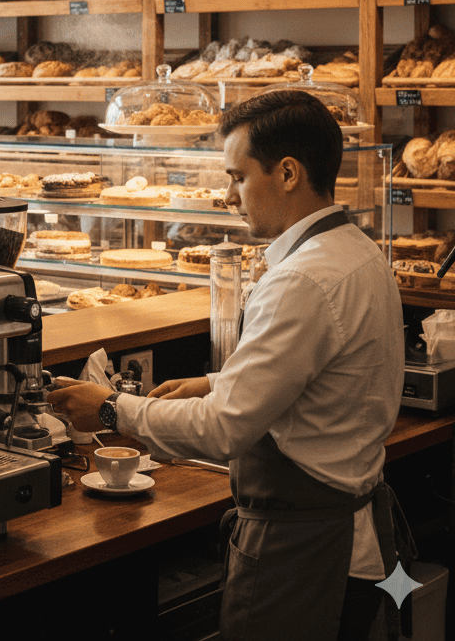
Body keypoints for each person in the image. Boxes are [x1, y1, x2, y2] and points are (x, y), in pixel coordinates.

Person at [48, 91, 411, 641]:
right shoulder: (359, 252)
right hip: (355, 538)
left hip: (303, 551)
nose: (227, 195)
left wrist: (110, 408)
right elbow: (322, 373)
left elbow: (222, 430)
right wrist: (216, 381)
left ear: (288, 172)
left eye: (238, 177)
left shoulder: (300, 281)